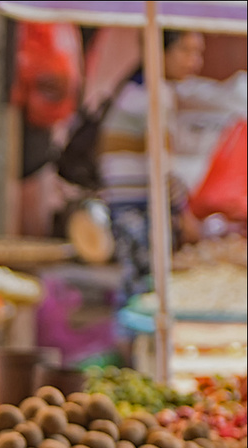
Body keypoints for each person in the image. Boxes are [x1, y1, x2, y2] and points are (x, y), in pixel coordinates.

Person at [96, 30, 206, 288]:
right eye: (185, 50)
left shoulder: (136, 87)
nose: (194, 61)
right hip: (138, 208)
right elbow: (160, 164)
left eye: (198, 53)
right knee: (144, 288)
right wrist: (183, 211)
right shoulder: (155, 95)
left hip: (122, 205)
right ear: (160, 50)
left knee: (134, 284)